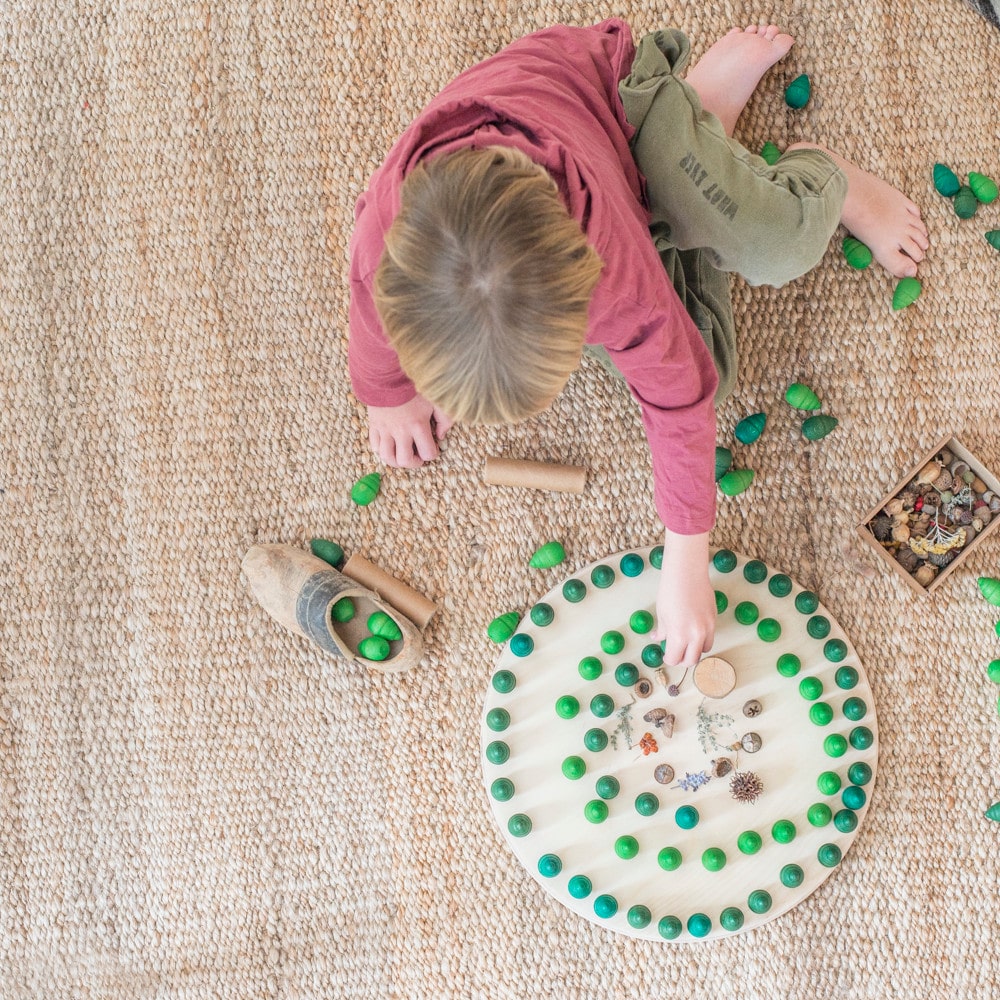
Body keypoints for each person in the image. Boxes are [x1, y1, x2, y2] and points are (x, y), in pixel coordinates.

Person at [348, 20, 928, 668]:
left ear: (584, 288)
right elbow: (370, 319)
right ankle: (702, 136)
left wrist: (686, 560)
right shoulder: (384, 239)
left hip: (622, 106)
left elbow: (680, 396)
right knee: (699, 329)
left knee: (775, 249)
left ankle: (797, 165)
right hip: (574, 172)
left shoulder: (613, 269)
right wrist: (389, 395)